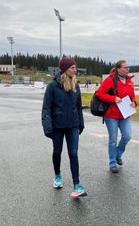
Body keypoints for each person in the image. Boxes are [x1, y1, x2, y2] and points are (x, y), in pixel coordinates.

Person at [41, 57, 87, 198]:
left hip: (72, 124)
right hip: (57, 126)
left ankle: (77, 185)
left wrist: (81, 124)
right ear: (65, 69)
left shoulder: (76, 85)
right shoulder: (52, 86)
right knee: (57, 152)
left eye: (75, 67)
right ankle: (57, 176)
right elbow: (46, 108)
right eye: (72, 67)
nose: (75, 70)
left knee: (73, 153)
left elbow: (78, 107)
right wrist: (48, 126)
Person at [96, 60, 137, 173]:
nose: (127, 69)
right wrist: (113, 99)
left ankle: (118, 154)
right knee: (113, 139)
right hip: (111, 115)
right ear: (118, 69)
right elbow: (99, 93)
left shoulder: (129, 81)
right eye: (125, 67)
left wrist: (134, 102)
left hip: (125, 115)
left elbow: (132, 96)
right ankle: (112, 162)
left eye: (128, 67)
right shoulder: (110, 80)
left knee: (127, 136)